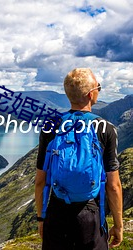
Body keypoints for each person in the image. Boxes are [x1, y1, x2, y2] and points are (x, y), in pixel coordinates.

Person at [35, 68, 123, 250]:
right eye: (99, 87)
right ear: (91, 94)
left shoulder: (51, 126)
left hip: (57, 212)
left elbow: (40, 181)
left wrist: (41, 218)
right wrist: (118, 225)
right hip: (90, 215)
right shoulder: (105, 129)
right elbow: (113, 185)